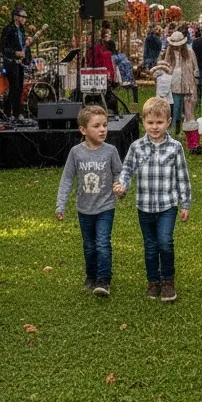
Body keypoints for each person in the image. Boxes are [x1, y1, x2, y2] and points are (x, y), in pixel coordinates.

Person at [114, 96, 191, 302]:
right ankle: (153, 281)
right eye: (150, 123)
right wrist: (122, 186)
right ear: (143, 123)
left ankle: (167, 281)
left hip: (167, 205)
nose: (155, 127)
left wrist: (185, 203)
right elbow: (127, 170)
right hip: (145, 205)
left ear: (168, 122)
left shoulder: (175, 148)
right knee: (150, 245)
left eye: (159, 122)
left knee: (165, 242)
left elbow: (182, 176)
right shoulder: (137, 147)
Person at [54, 105, 121, 296]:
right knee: (89, 245)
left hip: (105, 207)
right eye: (97, 126)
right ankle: (91, 277)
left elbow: (118, 172)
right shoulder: (76, 153)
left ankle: (103, 280)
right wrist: (61, 204)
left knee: (102, 243)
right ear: (83, 130)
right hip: (84, 208)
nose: (102, 129)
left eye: (105, 125)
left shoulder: (110, 151)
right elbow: (67, 179)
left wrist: (120, 187)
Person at [163, 31, 200, 153]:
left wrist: (196, 83)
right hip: (174, 87)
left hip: (188, 87)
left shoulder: (189, 52)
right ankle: (172, 140)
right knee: (174, 114)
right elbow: (165, 68)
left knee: (190, 115)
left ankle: (193, 144)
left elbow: (195, 69)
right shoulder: (169, 53)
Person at [0, 6, 33, 123]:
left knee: (18, 89)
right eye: (22, 16)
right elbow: (2, 48)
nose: (24, 19)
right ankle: (15, 114)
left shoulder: (22, 30)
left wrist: (27, 54)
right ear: (15, 17)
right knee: (15, 87)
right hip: (10, 62)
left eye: (25, 17)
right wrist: (15, 53)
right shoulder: (8, 29)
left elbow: (23, 48)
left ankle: (8, 113)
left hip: (19, 63)